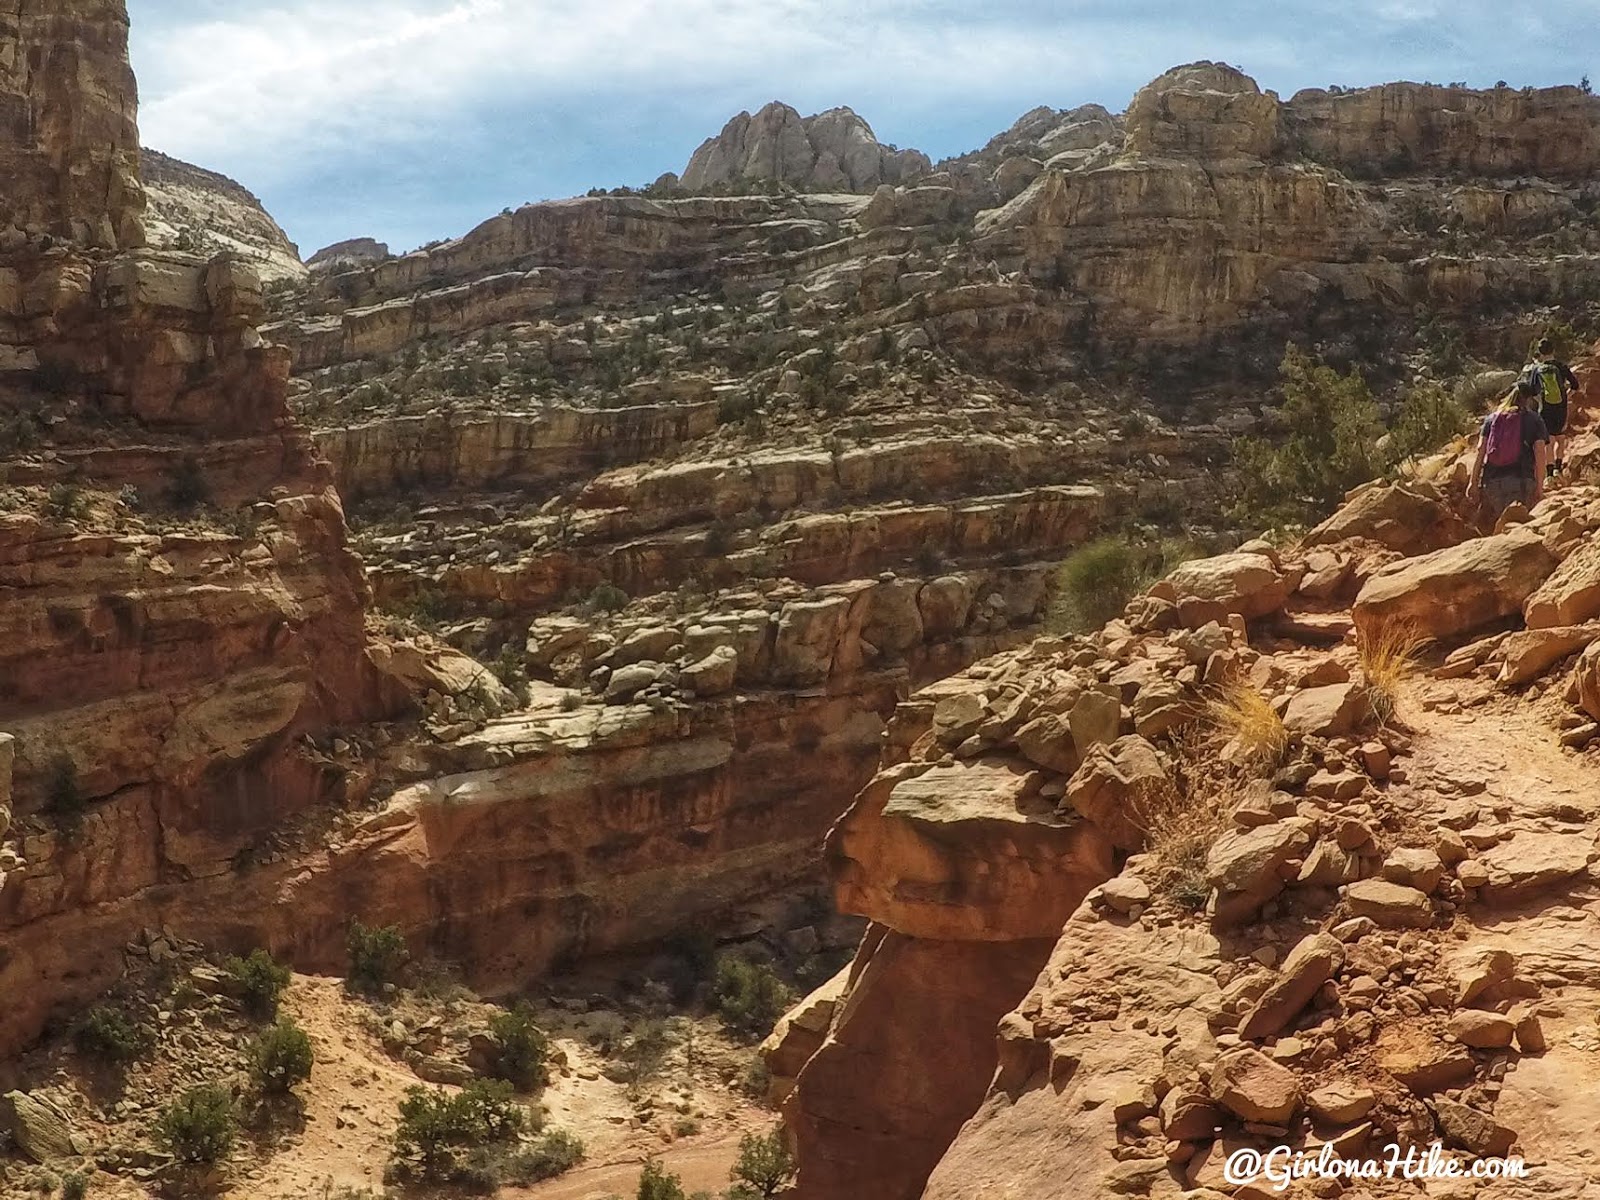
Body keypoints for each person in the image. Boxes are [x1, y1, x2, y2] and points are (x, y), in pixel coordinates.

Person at [1469, 386, 1549, 524]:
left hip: (1492, 483)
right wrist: (1540, 486)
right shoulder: (1534, 420)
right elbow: (1540, 452)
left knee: (1504, 522)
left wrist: (1473, 482)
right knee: (1519, 525)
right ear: (1529, 400)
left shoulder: (1491, 419)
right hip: (1522, 481)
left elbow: (1481, 450)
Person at [1518, 337, 1578, 477]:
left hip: (1545, 408)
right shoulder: (1561, 366)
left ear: (1540, 352)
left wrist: (1539, 400)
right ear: (1553, 350)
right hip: (1561, 407)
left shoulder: (1537, 369)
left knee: (1549, 440)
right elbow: (1575, 385)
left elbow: (1532, 391)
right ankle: (1559, 469)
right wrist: (1566, 397)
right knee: (1561, 438)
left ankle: (1550, 474)